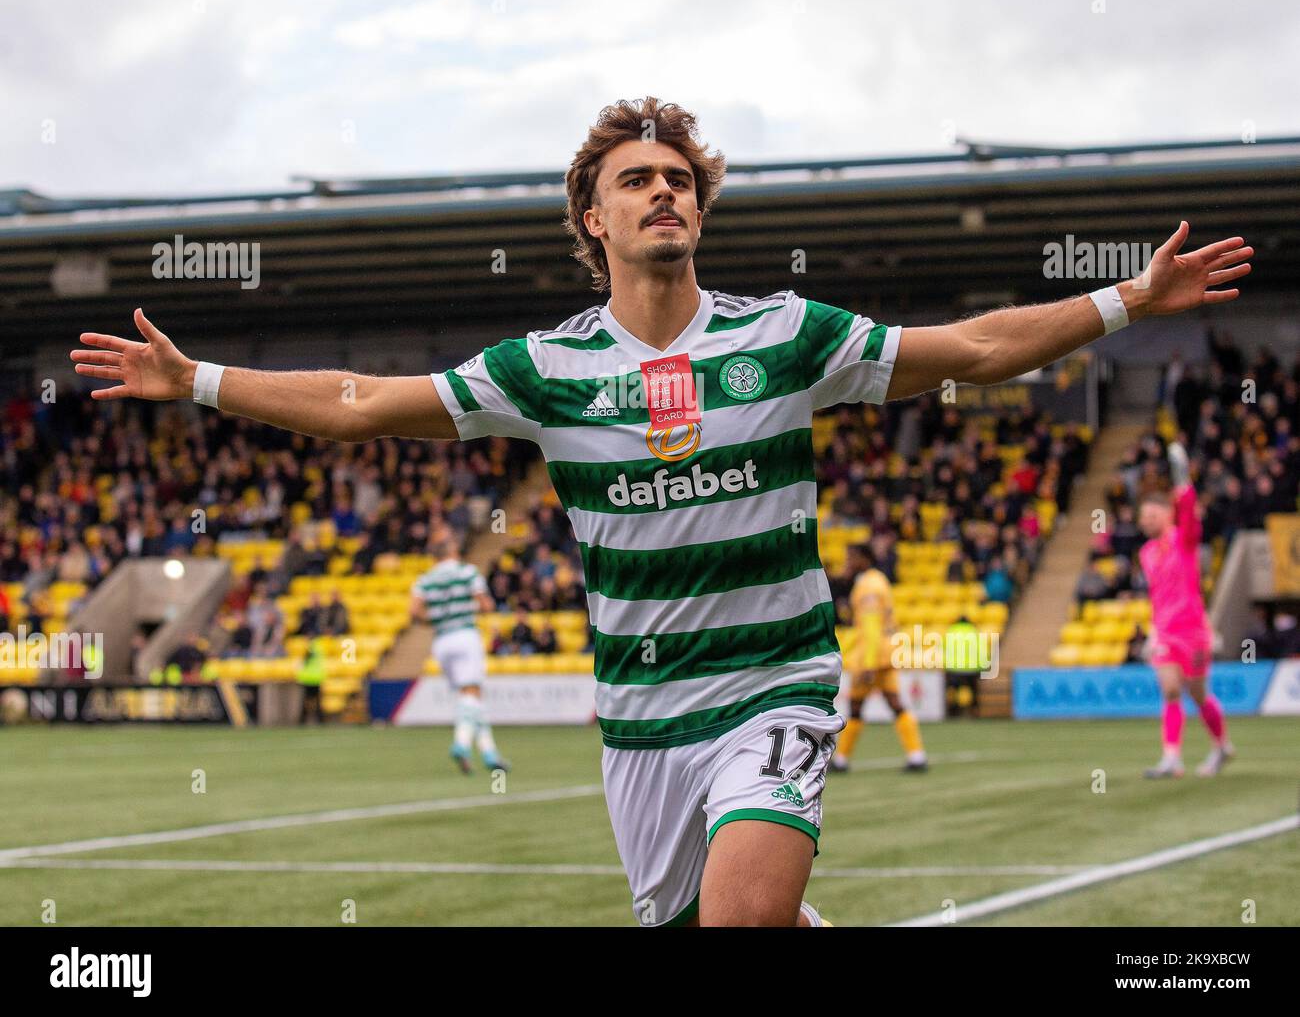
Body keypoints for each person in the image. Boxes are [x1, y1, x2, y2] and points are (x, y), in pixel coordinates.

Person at [70, 95, 1253, 927]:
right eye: (636, 180)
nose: (663, 192)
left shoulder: (784, 334)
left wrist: (1123, 300)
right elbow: (361, 400)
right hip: (642, 717)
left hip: (777, 685)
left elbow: (978, 346)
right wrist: (202, 380)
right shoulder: (544, 368)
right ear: (593, 216)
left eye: (679, 178)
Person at [1138, 442, 1234, 778]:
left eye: (1152, 515)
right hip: (1165, 631)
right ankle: (1171, 757)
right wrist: (1153, 630)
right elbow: (1157, 597)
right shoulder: (1146, 553)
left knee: (1198, 694)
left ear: (1167, 515)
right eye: (1143, 516)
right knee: (1170, 689)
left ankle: (1221, 746)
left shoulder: (1184, 540)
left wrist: (1181, 478)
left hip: (1192, 630)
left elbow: (1190, 513)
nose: (1146, 521)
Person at [410, 533, 509, 775]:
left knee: (471, 699)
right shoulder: (467, 572)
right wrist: (474, 608)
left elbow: (414, 612)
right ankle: (461, 744)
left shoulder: (424, 580)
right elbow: (486, 605)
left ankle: (489, 752)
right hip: (465, 636)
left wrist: (437, 617)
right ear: (452, 552)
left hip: (442, 641)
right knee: (472, 693)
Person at [830, 544, 927, 774]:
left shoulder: (868, 587)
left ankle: (842, 760)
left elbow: (872, 627)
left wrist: (870, 664)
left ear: (864, 558)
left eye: (851, 557)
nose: (848, 562)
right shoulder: (877, 580)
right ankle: (917, 756)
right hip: (886, 652)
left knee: (855, 705)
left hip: (872, 656)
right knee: (894, 703)